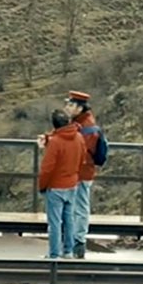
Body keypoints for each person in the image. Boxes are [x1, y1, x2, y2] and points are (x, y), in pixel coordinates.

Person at [36, 109, 86, 259]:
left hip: (56, 186)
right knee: (69, 220)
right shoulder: (78, 137)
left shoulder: (56, 142)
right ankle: (68, 251)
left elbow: (47, 168)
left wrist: (42, 186)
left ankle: (54, 253)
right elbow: (82, 159)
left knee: (55, 223)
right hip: (72, 184)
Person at [64, 90, 101, 258]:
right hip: (78, 172)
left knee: (79, 207)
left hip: (81, 173)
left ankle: (78, 240)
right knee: (76, 206)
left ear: (80, 107)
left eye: (71, 105)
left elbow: (81, 152)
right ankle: (74, 240)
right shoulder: (80, 122)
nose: (67, 108)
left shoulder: (86, 127)